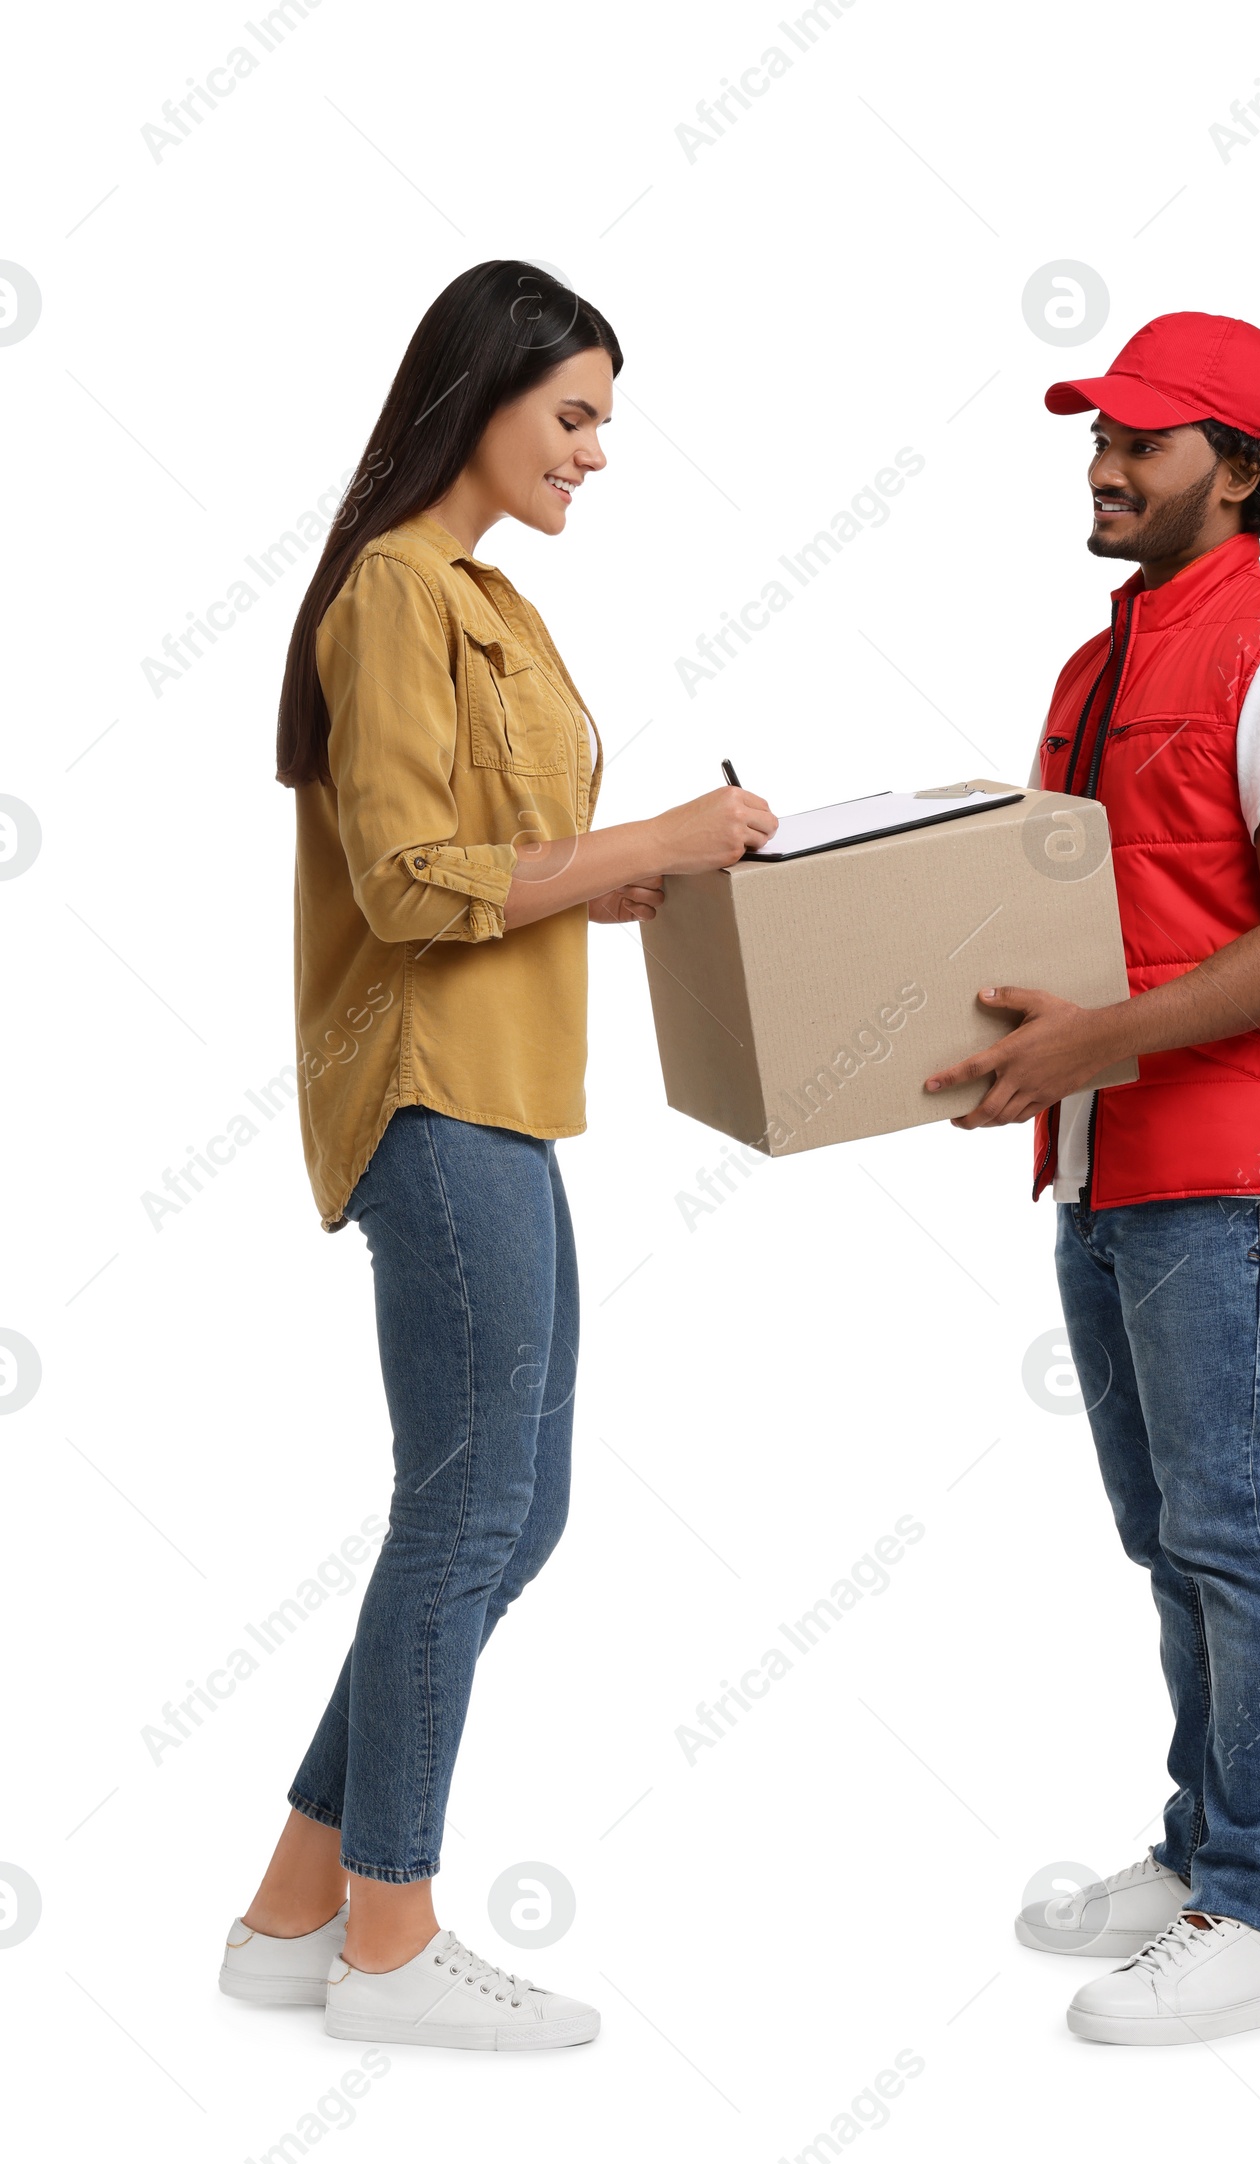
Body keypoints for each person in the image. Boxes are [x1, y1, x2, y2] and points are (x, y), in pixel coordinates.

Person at [217, 260, 776, 2052]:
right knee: (464, 1510)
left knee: (510, 1509)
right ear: (481, 393)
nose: (599, 453)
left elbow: (515, 870)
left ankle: (296, 1908)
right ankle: (393, 1943)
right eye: (576, 414)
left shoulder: (498, 609)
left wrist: (661, 872)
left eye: (605, 420)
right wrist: (653, 833)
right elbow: (408, 886)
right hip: (432, 1096)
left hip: (513, 1090)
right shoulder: (394, 595)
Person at [924, 313, 1260, 2046]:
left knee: (1235, 1531)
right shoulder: (1095, 663)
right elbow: (1082, 913)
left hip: (1235, 1162)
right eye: (1096, 437)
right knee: (1167, 1532)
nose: (1109, 467)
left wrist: (1094, 1040)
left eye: (1148, 441)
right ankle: (1203, 1852)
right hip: (1109, 1159)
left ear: (1245, 466)